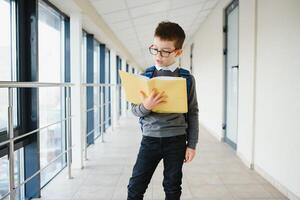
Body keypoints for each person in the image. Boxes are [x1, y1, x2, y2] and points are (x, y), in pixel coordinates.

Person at [127, 21, 199, 200]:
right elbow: (134, 111)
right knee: (136, 186)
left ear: (178, 52)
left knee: (172, 186)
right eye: (155, 49)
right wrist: (146, 106)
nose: (159, 55)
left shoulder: (186, 78)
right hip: (150, 139)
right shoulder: (145, 76)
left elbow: (193, 112)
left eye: (165, 51)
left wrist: (192, 144)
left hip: (176, 141)